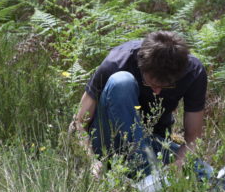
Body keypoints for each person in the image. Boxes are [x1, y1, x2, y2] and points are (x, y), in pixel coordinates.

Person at [68, 31, 210, 179]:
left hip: (151, 141)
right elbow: (78, 123)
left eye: (166, 86)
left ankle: (151, 176)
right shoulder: (117, 62)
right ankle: (151, 178)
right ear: (141, 65)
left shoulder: (194, 72)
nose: (157, 91)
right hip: (106, 140)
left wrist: (178, 165)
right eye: (151, 84)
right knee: (121, 82)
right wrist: (91, 160)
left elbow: (193, 136)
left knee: (205, 173)